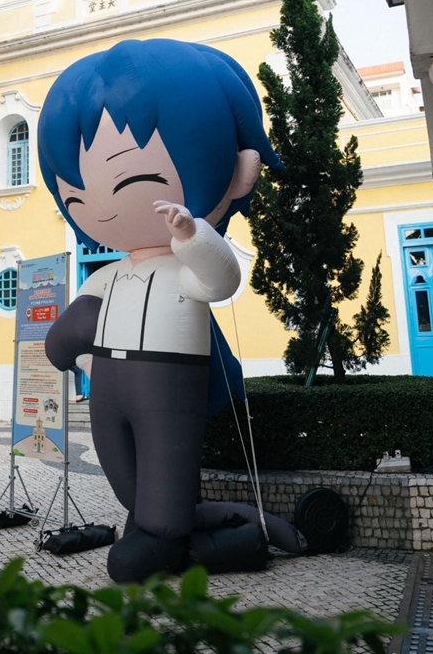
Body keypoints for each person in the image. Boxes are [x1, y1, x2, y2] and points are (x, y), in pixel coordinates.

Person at [38, 39, 283, 582]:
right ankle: (214, 533)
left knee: (160, 503)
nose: (101, 207)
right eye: (76, 194)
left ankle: (178, 538)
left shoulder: (185, 263)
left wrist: (192, 235)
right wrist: (73, 346)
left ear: (241, 171)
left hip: (170, 383)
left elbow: (221, 280)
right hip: (110, 388)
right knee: (127, 481)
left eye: (131, 181)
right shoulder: (108, 274)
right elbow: (66, 336)